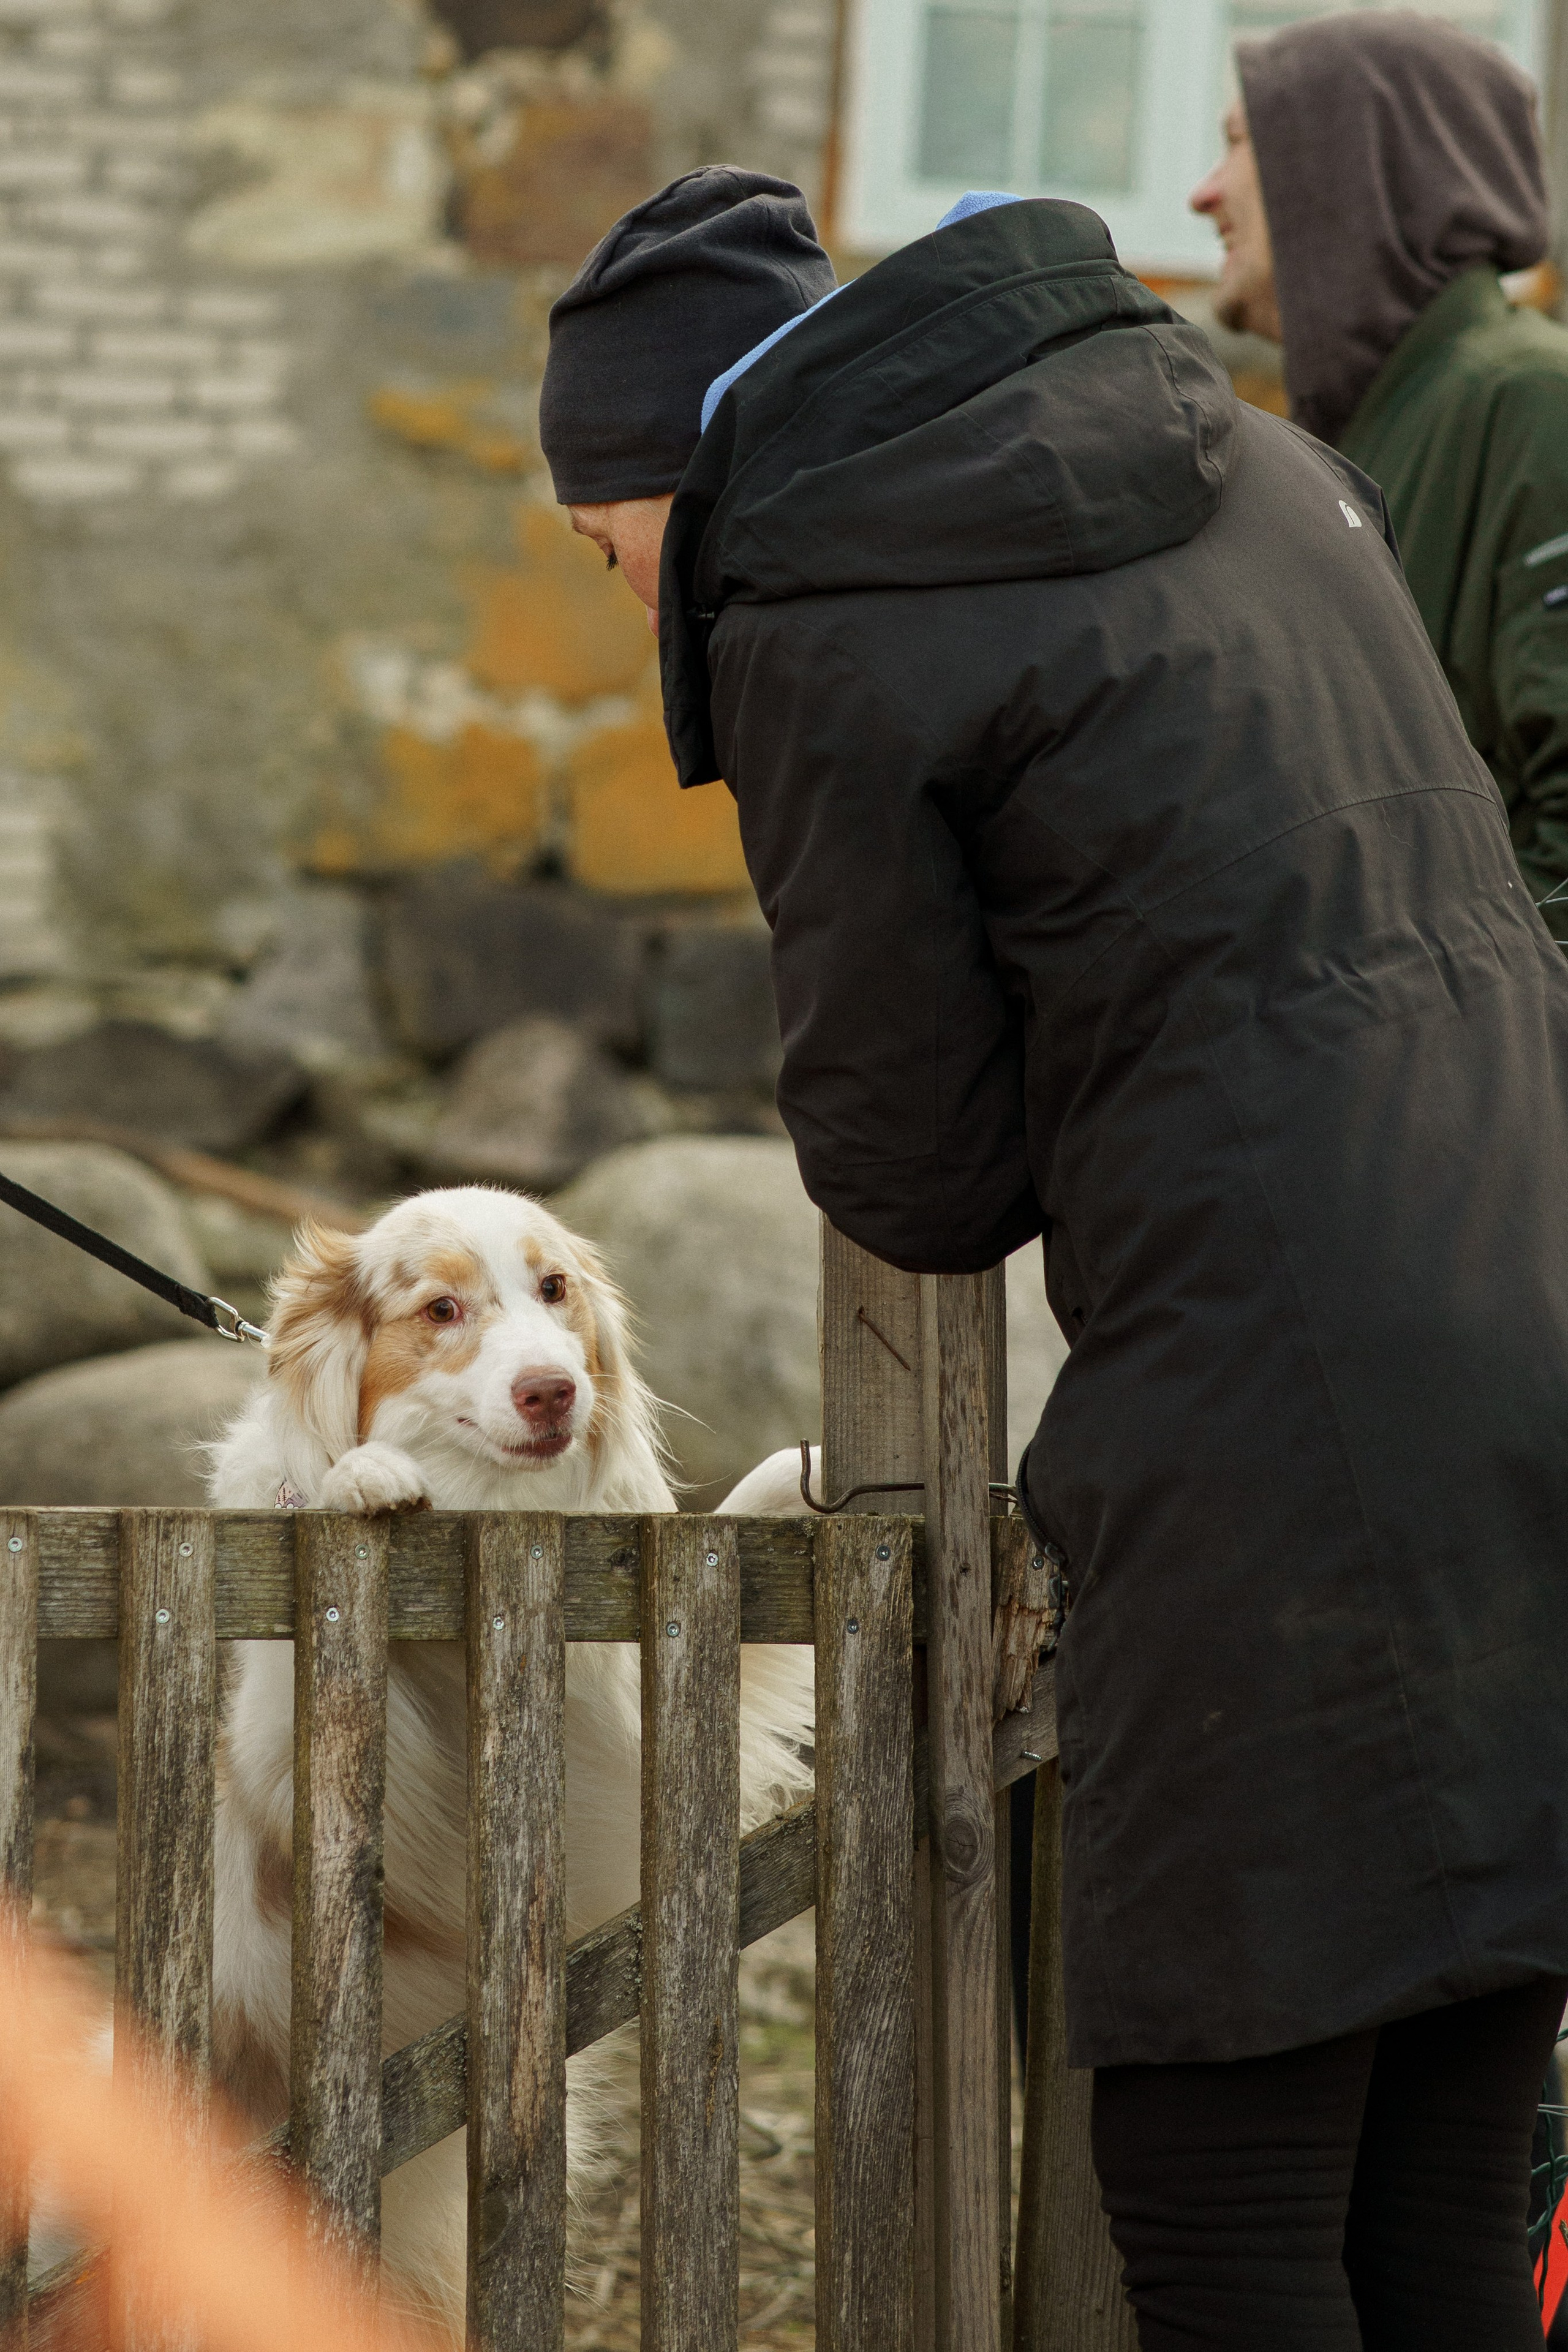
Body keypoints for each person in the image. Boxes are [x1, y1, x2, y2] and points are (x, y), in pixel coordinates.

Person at [540, 164, 1568, 2348]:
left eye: (597, 535)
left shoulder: (820, 609)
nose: (615, 584)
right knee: (1449, 2197)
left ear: (674, 467)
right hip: (1534, 1313)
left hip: (1277, 1413)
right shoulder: (1273, 464)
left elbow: (913, 1170)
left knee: (1218, 2211)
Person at [1190, 11, 1568, 935]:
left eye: (1240, 143)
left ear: (1347, 172)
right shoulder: (1337, 445)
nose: (1203, 194)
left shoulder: (1534, 407)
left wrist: (1477, 1059)